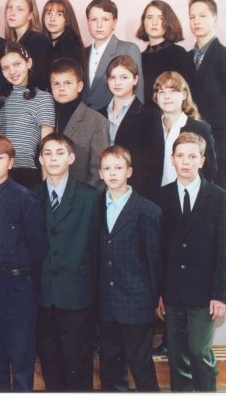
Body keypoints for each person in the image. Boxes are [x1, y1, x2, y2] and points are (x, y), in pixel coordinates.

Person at [0, 133, 47, 391]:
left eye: (0, 157)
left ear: (11, 162)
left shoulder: (25, 198)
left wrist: (25, 280)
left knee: (20, 349)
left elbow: (39, 247)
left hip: (18, 285)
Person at [154, 132, 226, 391]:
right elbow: (157, 251)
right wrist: (159, 292)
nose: (186, 161)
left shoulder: (218, 198)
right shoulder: (160, 197)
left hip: (204, 292)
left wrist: (220, 295)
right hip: (172, 292)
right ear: (172, 159)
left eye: (192, 156)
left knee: (198, 350)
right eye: (180, 155)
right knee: (177, 354)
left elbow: (223, 250)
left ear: (202, 160)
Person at [33, 133, 101, 391]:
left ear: (71, 158)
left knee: (78, 365)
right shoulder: (32, 196)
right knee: (50, 364)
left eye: (60, 153)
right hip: (44, 295)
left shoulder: (90, 197)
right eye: (48, 154)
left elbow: (96, 248)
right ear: (40, 159)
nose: (53, 159)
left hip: (77, 295)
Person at [97, 146, 161, 391]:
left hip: (136, 302)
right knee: (110, 366)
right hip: (106, 302)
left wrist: (155, 298)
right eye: (107, 168)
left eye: (118, 168)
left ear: (129, 171)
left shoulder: (147, 211)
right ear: (100, 173)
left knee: (141, 365)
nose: (113, 173)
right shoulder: (95, 206)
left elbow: (154, 261)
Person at [147, 71, 217, 192]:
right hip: (156, 197)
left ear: (184, 94)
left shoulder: (200, 128)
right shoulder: (149, 127)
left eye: (172, 91)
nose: (166, 96)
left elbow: (210, 169)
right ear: (156, 97)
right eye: (161, 92)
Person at [0, 42, 54, 188]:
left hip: (27, 175)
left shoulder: (43, 98)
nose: (12, 72)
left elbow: (47, 146)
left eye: (16, 64)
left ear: (28, 63)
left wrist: (46, 188)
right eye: (5, 68)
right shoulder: (0, 100)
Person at [50, 58, 109, 189]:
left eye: (67, 83)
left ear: (80, 86)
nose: (61, 88)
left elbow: (98, 172)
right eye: (56, 83)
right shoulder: (46, 117)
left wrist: (85, 199)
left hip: (82, 196)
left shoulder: (97, 121)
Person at [100, 55, 154, 196]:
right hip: (101, 192)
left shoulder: (150, 117)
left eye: (124, 77)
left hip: (135, 192)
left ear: (135, 79)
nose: (117, 82)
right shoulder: (98, 114)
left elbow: (153, 167)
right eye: (112, 77)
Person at [188, 0, 226, 188]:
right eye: (192, 17)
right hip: (190, 140)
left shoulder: (223, 56)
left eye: (202, 16)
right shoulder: (185, 57)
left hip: (220, 142)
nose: (196, 21)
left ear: (215, 19)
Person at [82, 0, 144, 110]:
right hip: (85, 118)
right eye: (94, 19)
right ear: (88, 23)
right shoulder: (82, 53)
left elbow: (138, 92)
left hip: (115, 117)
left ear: (114, 22)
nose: (99, 25)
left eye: (105, 19)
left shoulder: (128, 49)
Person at [136, 0, 195, 109]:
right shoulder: (138, 57)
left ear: (168, 22)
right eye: (149, 17)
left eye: (161, 18)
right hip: (144, 116)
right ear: (144, 22)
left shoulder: (179, 54)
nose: (154, 22)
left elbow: (188, 96)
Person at [5, 0, 51, 91]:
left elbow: (41, 80)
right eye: (9, 7)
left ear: (30, 15)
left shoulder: (39, 41)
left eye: (19, 9)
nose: (12, 13)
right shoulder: (9, 43)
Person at [41, 0, 84, 66]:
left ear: (67, 20)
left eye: (59, 14)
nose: (52, 19)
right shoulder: (42, 42)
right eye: (48, 13)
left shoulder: (71, 46)